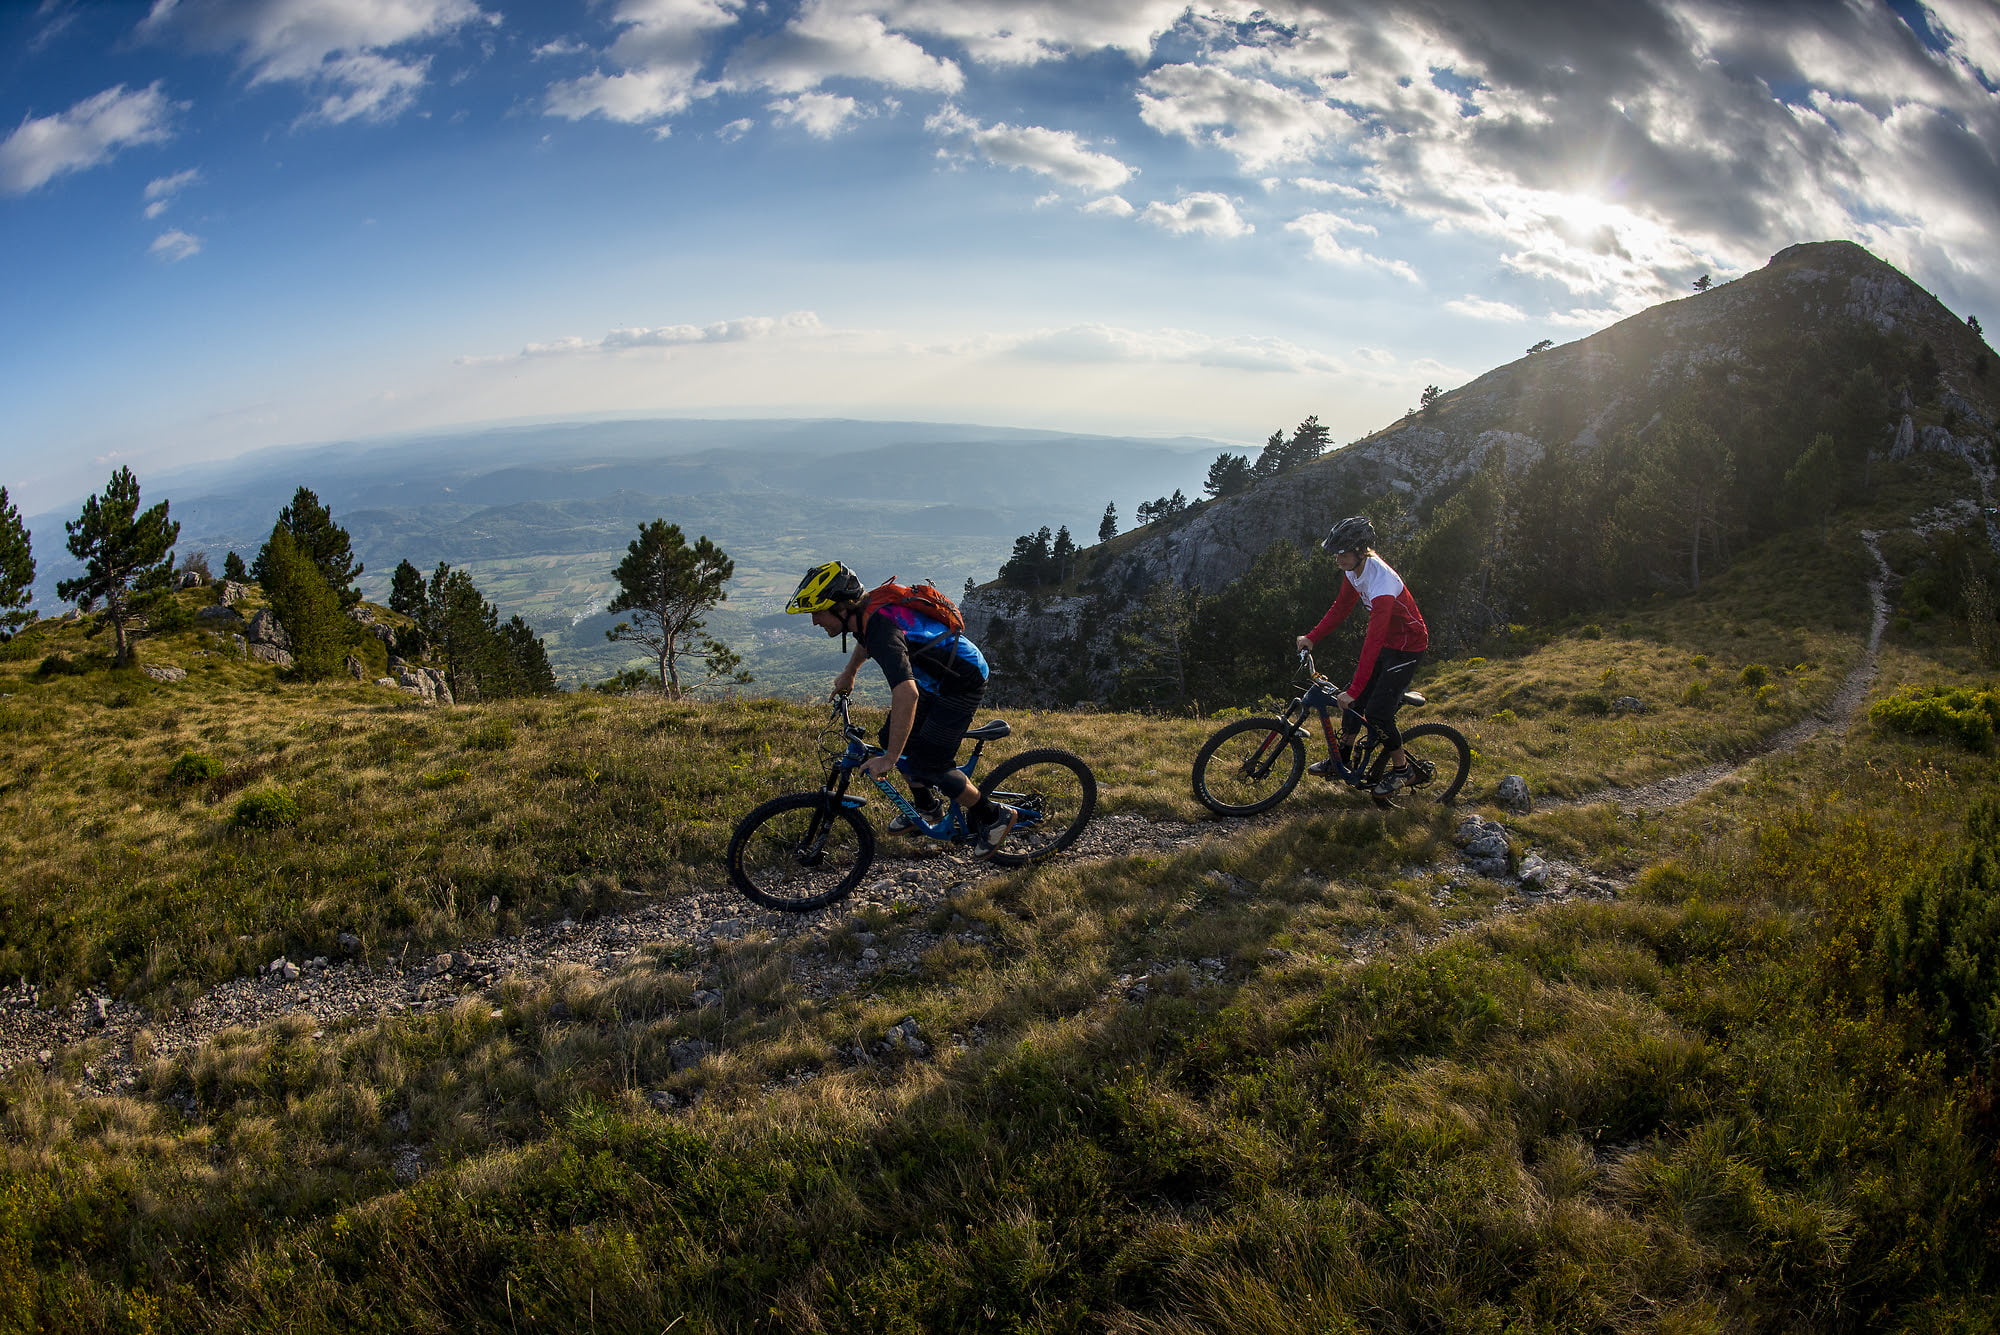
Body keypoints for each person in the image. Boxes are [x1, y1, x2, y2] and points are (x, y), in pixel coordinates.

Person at [786, 561, 1017, 858]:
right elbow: (865, 642)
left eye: (817, 612)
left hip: (963, 682)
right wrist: (850, 673)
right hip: (935, 680)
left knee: (930, 764)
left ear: (841, 607)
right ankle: (927, 807)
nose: (815, 621)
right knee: (888, 738)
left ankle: (993, 816)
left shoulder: (882, 628)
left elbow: (906, 693)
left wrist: (890, 759)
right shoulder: (864, 615)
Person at [1295, 515, 1430, 795]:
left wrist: (1356, 690)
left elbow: (1373, 640)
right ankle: (1342, 758)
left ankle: (1403, 770)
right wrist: (1312, 636)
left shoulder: (1382, 583)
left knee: (1377, 712)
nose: (1336, 558)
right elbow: (1341, 607)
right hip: (1388, 643)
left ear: (1360, 551)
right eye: (1335, 552)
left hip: (1408, 647)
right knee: (1352, 702)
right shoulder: (1353, 570)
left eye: (1342, 552)